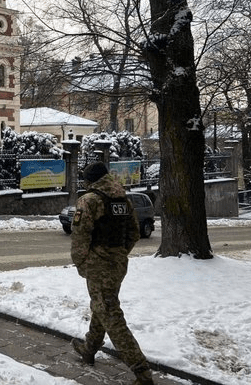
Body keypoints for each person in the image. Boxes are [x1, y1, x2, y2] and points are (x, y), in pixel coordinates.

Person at [70, 161, 154, 385]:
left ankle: (142, 372)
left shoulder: (89, 200)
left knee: (110, 314)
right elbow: (134, 232)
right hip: (118, 264)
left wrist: (82, 263)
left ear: (90, 181)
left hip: (98, 265)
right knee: (102, 305)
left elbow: (80, 236)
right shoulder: (123, 200)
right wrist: (119, 253)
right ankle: (89, 349)